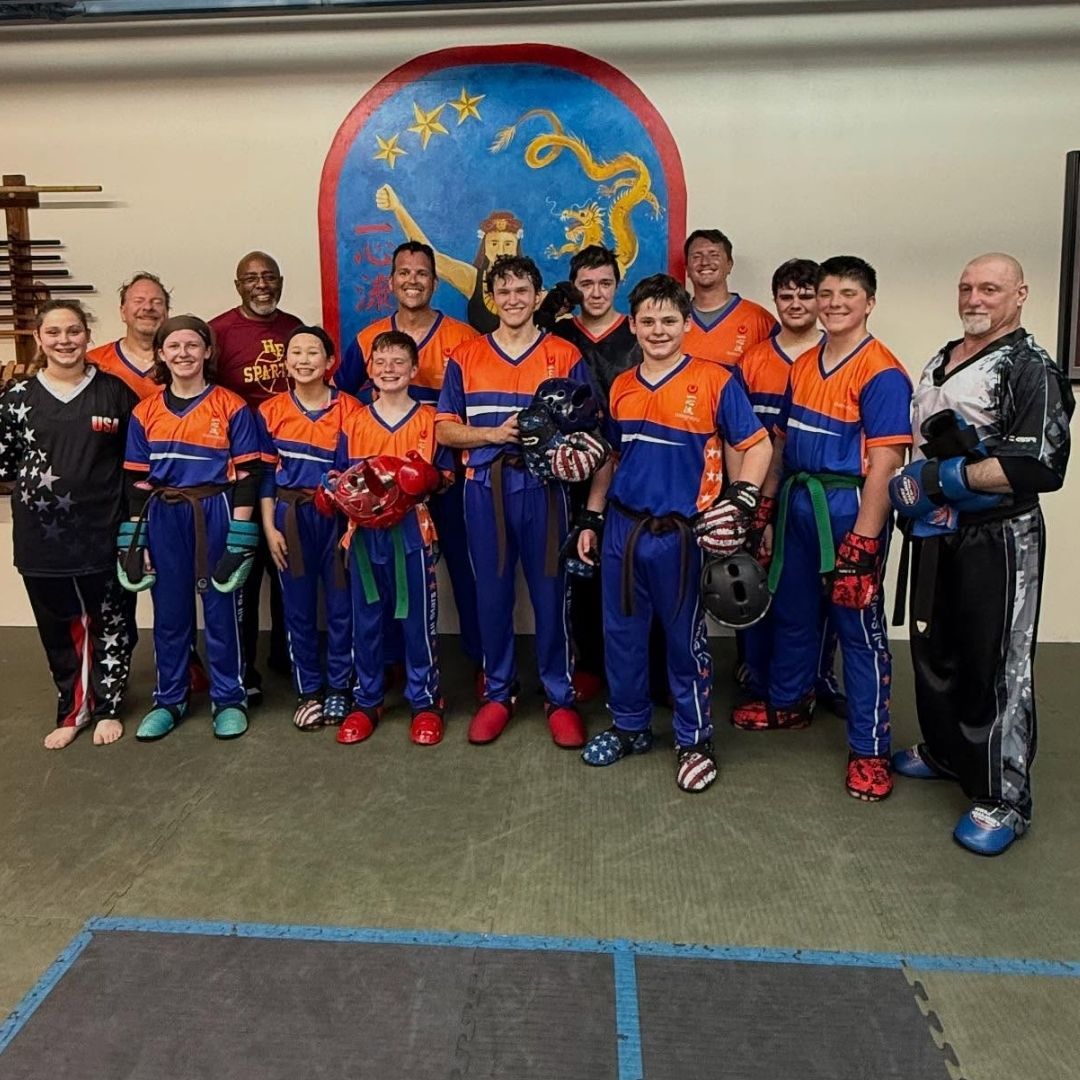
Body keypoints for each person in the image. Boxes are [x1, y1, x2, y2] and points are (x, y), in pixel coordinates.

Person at [889, 253, 1073, 855]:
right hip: (939, 533)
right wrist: (915, 487)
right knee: (936, 648)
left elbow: (1038, 466)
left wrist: (945, 480)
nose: (975, 297)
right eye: (967, 286)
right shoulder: (942, 357)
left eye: (990, 288)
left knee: (997, 663)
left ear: (1019, 294)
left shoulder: (1029, 367)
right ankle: (946, 752)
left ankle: (1005, 798)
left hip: (1000, 534)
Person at [574, 274, 771, 792]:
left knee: (685, 642)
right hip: (623, 527)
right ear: (633, 326)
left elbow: (758, 445)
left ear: (686, 324)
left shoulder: (714, 380)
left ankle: (694, 738)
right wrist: (593, 517)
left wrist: (742, 499)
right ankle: (630, 725)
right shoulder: (621, 385)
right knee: (621, 636)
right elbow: (611, 459)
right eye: (647, 321)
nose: (658, 330)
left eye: (668, 320)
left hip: (680, 534)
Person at [735, 257, 912, 802]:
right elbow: (783, 443)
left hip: (848, 508)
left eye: (847, 294)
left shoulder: (882, 372)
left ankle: (869, 749)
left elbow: (886, 463)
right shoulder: (807, 362)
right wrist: (764, 509)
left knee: (858, 632)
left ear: (869, 302)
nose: (834, 303)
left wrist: (863, 541)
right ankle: (790, 701)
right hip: (797, 504)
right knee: (792, 612)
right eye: (826, 294)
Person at [436, 254, 597, 748]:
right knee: (493, 593)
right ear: (491, 297)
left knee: (551, 594)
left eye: (522, 291)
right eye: (503, 291)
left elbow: (590, 430)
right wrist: (493, 433)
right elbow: (443, 428)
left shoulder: (564, 356)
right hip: (486, 488)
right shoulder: (466, 357)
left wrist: (563, 453)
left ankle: (559, 695)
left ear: (537, 296)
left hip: (545, 490)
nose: (512, 300)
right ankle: (498, 692)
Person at [335, 241, 482, 673]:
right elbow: (340, 400)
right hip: (385, 486)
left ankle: (482, 663)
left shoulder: (463, 338)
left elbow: (478, 406)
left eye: (421, 273)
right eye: (404, 272)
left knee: (464, 568)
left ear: (435, 283)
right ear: (391, 280)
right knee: (385, 570)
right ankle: (392, 665)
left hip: (447, 475)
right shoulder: (370, 340)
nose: (412, 280)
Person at [0, 300, 137, 749]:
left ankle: (110, 705)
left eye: (74, 331)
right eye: (54, 332)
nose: (65, 341)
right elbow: (5, 464)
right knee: (59, 628)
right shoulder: (17, 399)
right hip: (41, 540)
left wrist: (134, 526)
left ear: (86, 335)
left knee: (111, 620)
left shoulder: (114, 393)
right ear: (40, 338)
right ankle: (72, 707)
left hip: (103, 531)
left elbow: (136, 463)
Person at [122, 315, 262, 741]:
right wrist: (134, 543)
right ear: (161, 354)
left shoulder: (231, 405)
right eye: (174, 347)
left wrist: (239, 539)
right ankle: (169, 698)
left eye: (191, 345)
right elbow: (136, 481)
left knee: (222, 608)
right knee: (169, 613)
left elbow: (249, 475)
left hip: (215, 509)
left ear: (206, 351)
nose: (183, 353)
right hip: (163, 514)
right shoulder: (145, 412)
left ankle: (230, 697)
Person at [550, 244, 667, 706]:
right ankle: (591, 665)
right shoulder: (558, 334)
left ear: (617, 285)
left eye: (604, 283)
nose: (596, 292)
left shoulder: (641, 333)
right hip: (573, 470)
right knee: (581, 570)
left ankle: (656, 670)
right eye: (586, 284)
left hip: (633, 463)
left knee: (644, 569)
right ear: (574, 288)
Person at [736, 258, 845, 716]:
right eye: (787, 295)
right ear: (775, 300)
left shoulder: (835, 356)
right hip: (759, 491)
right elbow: (735, 432)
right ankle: (756, 673)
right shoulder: (754, 359)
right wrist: (747, 497)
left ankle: (817, 678)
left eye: (806, 294)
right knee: (758, 586)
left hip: (814, 495)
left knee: (822, 593)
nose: (796, 303)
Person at [335, 330, 450, 747]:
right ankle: (366, 700)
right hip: (364, 537)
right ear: (368, 370)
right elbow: (340, 476)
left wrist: (428, 477)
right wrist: (332, 495)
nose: (389, 369)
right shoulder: (355, 419)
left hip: (412, 534)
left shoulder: (430, 419)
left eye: (399, 362)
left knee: (418, 623)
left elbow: (446, 476)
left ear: (414, 369)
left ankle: (425, 701)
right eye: (380, 362)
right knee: (366, 622)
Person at [209, 252, 302, 703]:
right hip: (240, 471)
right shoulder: (219, 332)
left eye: (269, 276)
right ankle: (243, 668)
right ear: (237, 284)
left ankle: (290, 657)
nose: (261, 284)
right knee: (244, 571)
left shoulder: (293, 327)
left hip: (288, 467)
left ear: (280, 281)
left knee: (288, 566)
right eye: (252, 278)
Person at [257, 326, 360, 731]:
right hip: (289, 517)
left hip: (336, 516)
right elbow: (264, 476)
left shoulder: (351, 409)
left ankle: (339, 688)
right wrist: (269, 529)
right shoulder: (269, 411)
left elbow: (355, 475)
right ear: (285, 362)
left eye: (313, 352)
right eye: (295, 352)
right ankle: (309, 690)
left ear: (330, 361)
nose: (303, 360)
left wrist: (352, 527)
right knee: (297, 609)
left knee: (341, 606)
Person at [376, 184, 523, 333]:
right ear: (484, 248)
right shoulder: (473, 279)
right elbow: (433, 259)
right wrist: (398, 208)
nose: (500, 250)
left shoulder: (533, 286)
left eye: (508, 244)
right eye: (494, 243)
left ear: (517, 247)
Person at [682, 229, 777, 367]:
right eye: (696, 256)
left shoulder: (760, 320)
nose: (705, 262)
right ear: (687, 269)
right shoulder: (673, 321)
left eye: (714, 255)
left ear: (729, 265)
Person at [87, 271, 171, 399]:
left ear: (167, 312)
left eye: (157, 302)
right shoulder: (93, 361)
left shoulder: (184, 362)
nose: (148, 307)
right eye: (138, 301)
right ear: (123, 312)